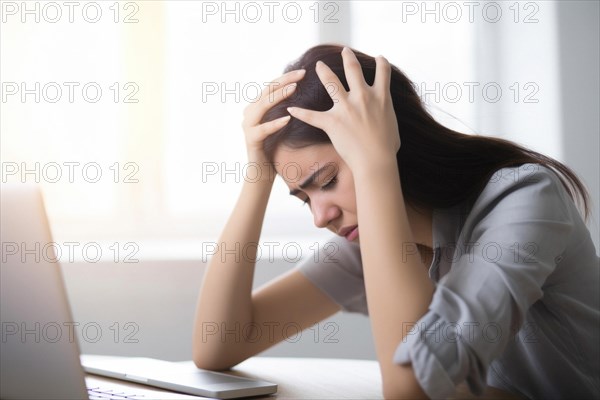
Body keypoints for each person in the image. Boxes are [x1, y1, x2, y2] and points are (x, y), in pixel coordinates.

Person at [193, 44, 599, 399]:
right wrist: (257, 177)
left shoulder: (523, 197)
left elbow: (411, 388)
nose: (321, 217)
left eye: (328, 181)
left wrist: (375, 164)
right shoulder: (364, 246)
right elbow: (218, 345)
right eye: (304, 199)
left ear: (391, 142)